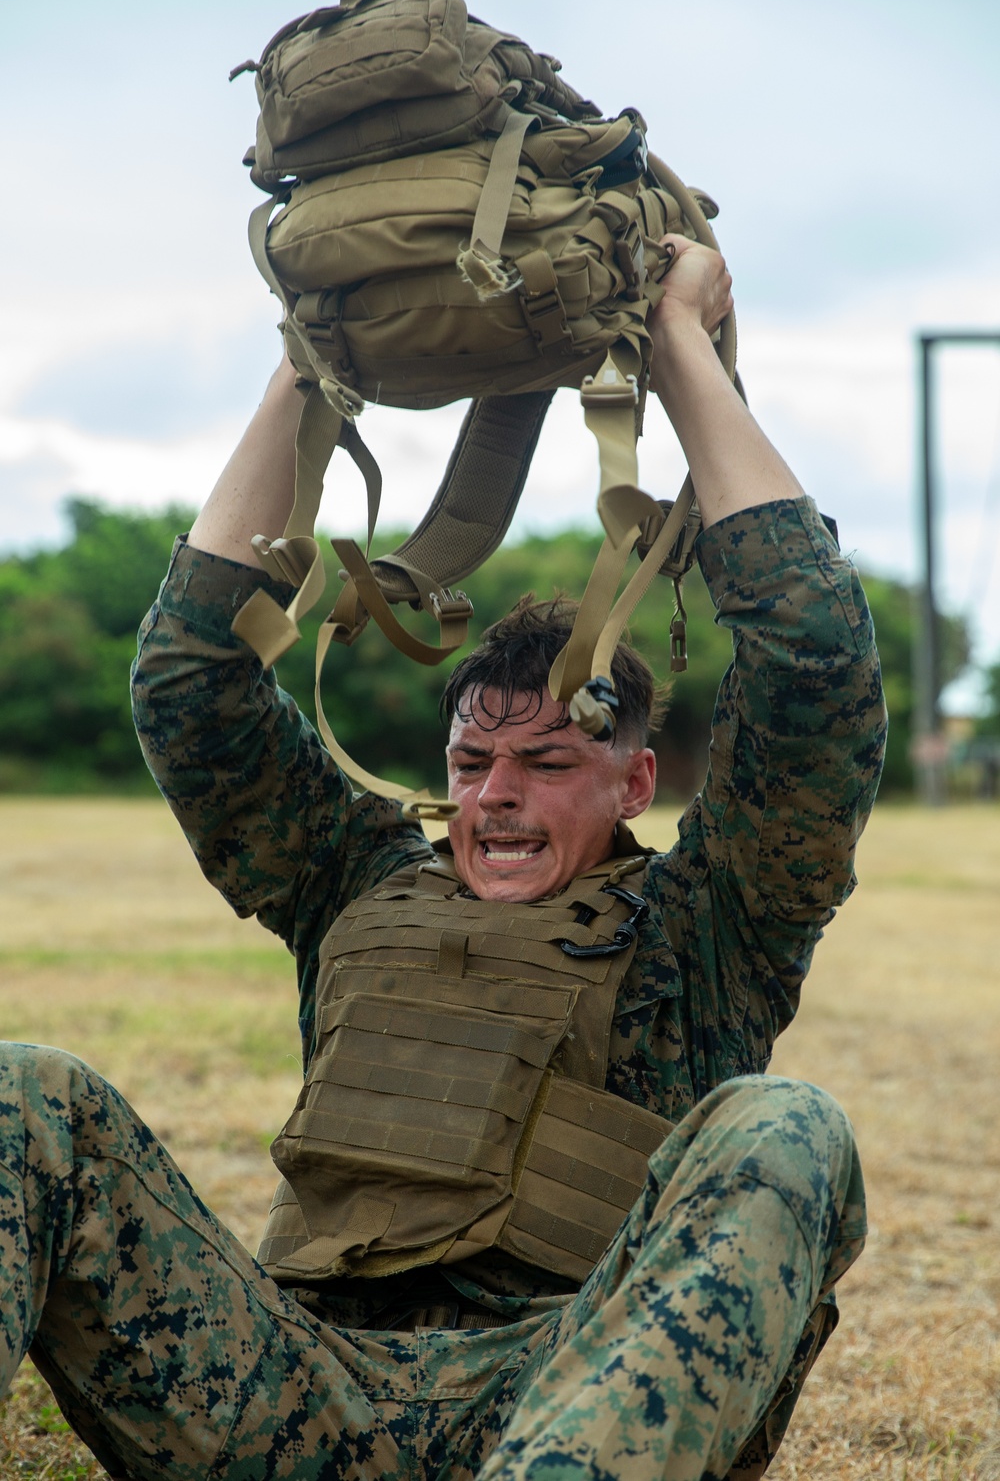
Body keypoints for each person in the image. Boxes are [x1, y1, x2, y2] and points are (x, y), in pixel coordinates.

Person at [0, 237, 886, 1481]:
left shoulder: (711, 929)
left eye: (548, 763)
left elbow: (814, 671)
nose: (500, 799)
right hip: (295, 1391)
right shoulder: (353, 880)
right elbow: (191, 685)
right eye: (476, 766)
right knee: (21, 1090)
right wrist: (305, 367)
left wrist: (680, 343)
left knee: (788, 1125)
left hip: (561, 1393)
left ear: (636, 782)